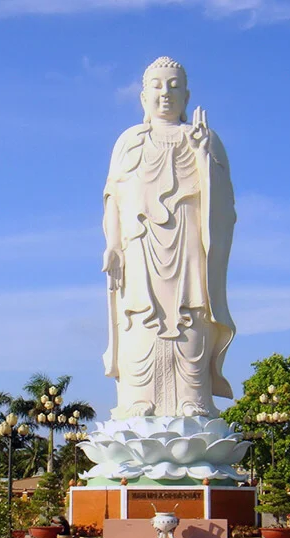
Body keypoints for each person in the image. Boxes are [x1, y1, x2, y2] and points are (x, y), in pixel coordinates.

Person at [102, 56, 236, 420]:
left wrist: (204, 157)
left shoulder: (204, 139)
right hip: (141, 247)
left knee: (192, 315)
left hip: (189, 247)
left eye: (174, 87)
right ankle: (138, 401)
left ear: (187, 96)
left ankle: (192, 399)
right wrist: (113, 243)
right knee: (140, 318)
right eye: (158, 86)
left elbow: (224, 206)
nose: (166, 94)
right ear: (143, 96)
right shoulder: (130, 140)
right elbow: (114, 197)